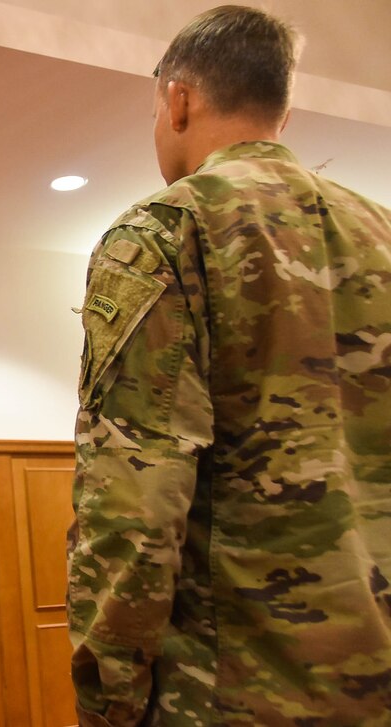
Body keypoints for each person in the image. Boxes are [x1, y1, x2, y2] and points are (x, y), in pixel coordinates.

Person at [67, 5, 391, 725]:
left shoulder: (167, 230)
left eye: (155, 109)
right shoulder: (382, 233)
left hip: (230, 689)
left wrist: (108, 699)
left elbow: (134, 505)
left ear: (177, 100)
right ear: (284, 109)